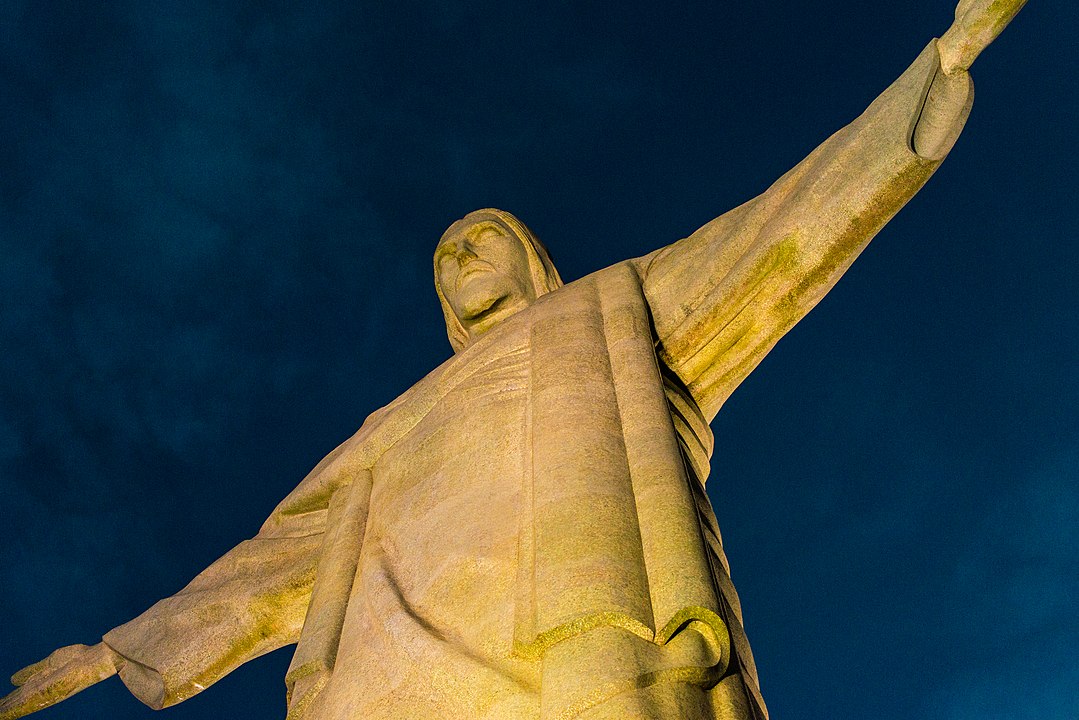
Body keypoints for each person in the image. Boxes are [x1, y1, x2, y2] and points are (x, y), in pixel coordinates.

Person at [0, 2, 1027, 719]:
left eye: (477, 237)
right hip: (387, 680)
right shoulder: (386, 429)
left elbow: (776, 237)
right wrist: (115, 651)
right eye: (443, 254)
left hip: (586, 637)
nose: (457, 257)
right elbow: (271, 564)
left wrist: (936, 67)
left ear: (528, 255)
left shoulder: (613, 307)